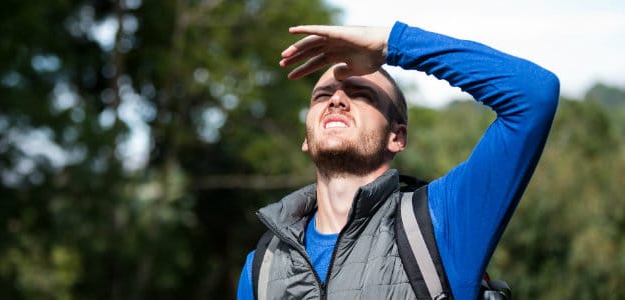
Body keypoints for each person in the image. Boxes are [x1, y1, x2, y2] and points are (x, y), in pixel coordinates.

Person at [236, 21, 559, 300]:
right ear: (306, 139)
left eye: (361, 94)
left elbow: (533, 95)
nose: (337, 100)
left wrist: (392, 44)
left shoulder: (439, 222)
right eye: (323, 96)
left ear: (397, 136)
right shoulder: (262, 266)